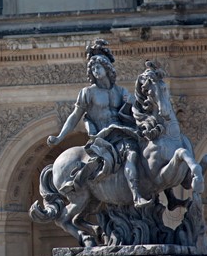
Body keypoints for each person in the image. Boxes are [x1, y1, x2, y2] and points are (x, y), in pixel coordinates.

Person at [48, 40, 151, 207]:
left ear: (107, 69)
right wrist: (60, 137)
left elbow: (136, 113)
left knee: (149, 153)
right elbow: (75, 116)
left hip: (122, 132)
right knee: (129, 155)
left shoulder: (120, 91)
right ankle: (136, 195)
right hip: (102, 136)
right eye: (92, 69)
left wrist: (133, 104)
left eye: (98, 67)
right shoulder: (88, 93)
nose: (95, 71)